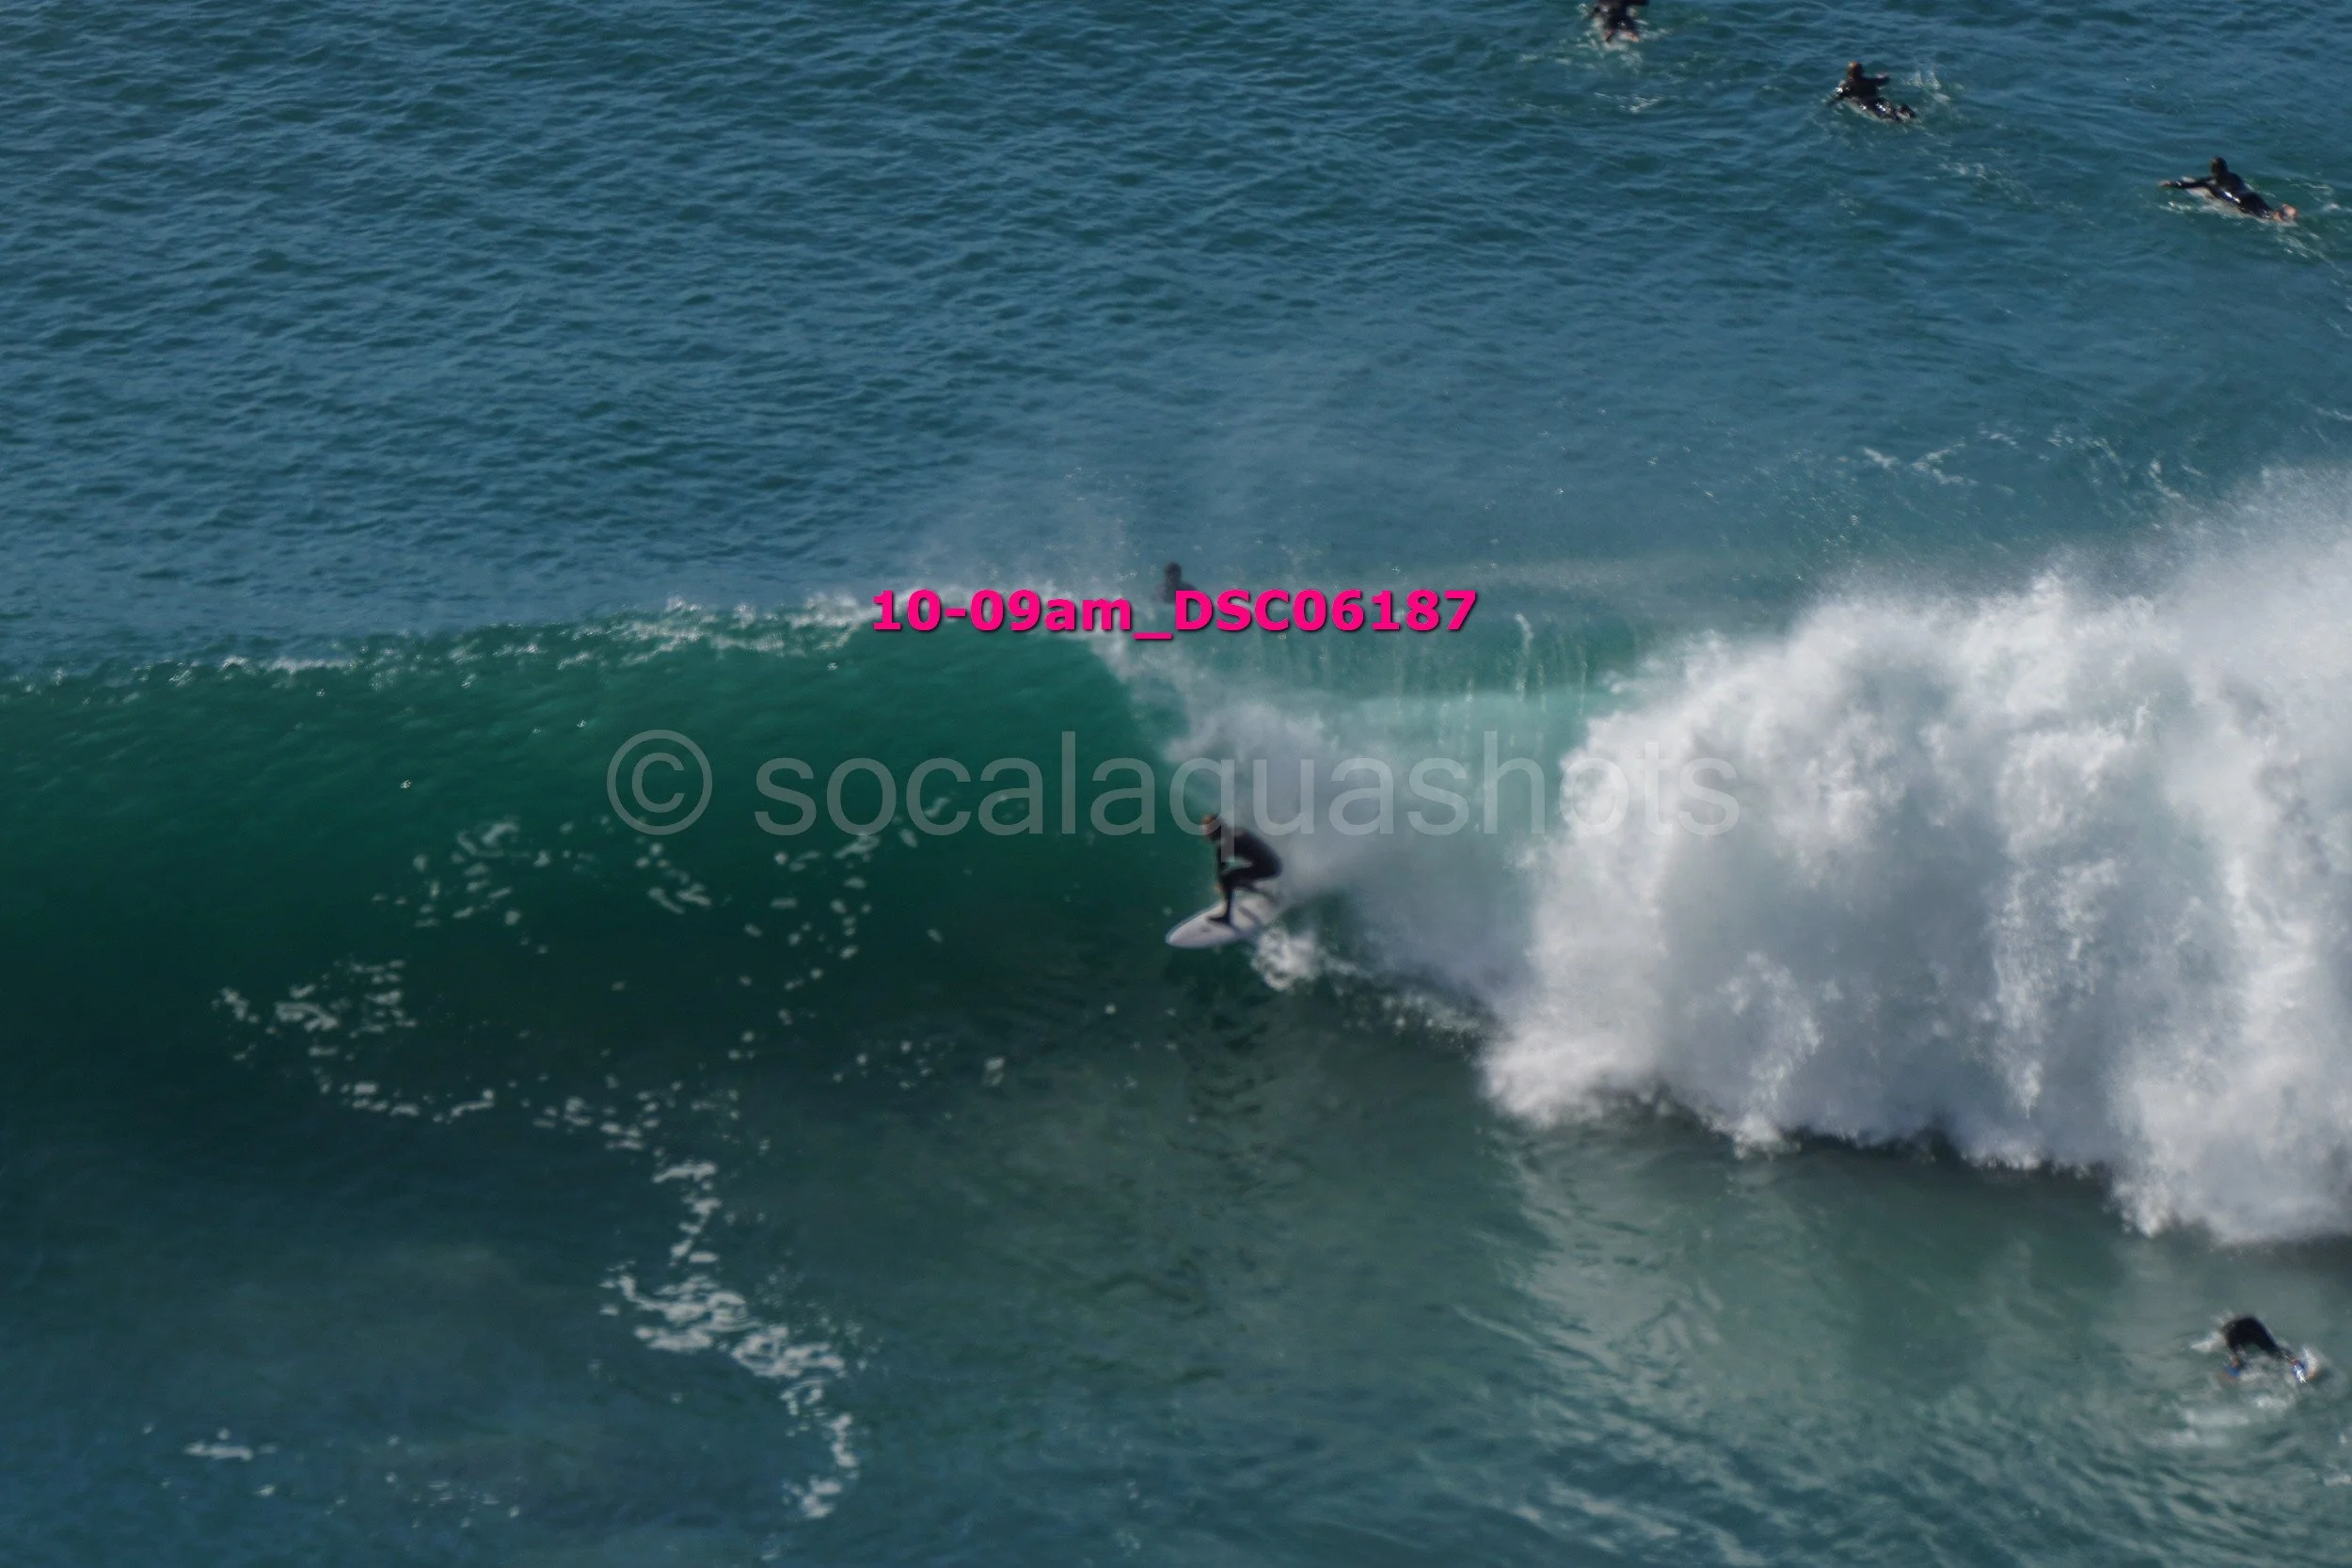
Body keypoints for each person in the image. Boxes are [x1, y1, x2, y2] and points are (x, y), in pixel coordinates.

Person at [1201, 813, 1281, 923]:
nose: (1205, 835)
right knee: (1235, 878)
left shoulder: (1224, 844)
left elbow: (1222, 873)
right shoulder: (1236, 831)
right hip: (1276, 864)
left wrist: (1222, 886)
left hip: (1269, 867)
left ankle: (1227, 916)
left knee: (1228, 878)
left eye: (1206, 831)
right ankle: (1268, 896)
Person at [2163, 157, 2295, 222]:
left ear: (2212, 170)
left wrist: (2170, 183)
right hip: (2251, 195)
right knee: (2268, 211)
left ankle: (2280, 215)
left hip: (2240, 202)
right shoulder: (2234, 175)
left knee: (2266, 217)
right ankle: (2284, 209)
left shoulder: (2208, 181)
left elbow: (2187, 185)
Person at [1835, 60, 1915, 121]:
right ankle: (1902, 110)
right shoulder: (1871, 81)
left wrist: (1831, 103)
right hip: (1879, 99)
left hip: (1865, 103)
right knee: (1891, 109)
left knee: (1882, 116)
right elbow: (1884, 80)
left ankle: (1895, 116)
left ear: (1849, 73)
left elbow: (1838, 97)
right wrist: (1884, 77)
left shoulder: (1846, 85)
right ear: (1862, 71)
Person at [2222, 1314, 2289, 1374]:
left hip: (2235, 1330)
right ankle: (2294, 1361)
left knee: (2237, 1360)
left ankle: (2231, 1373)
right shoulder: (2241, 1323)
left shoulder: (2229, 1334)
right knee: (2274, 1350)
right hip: (2252, 1324)